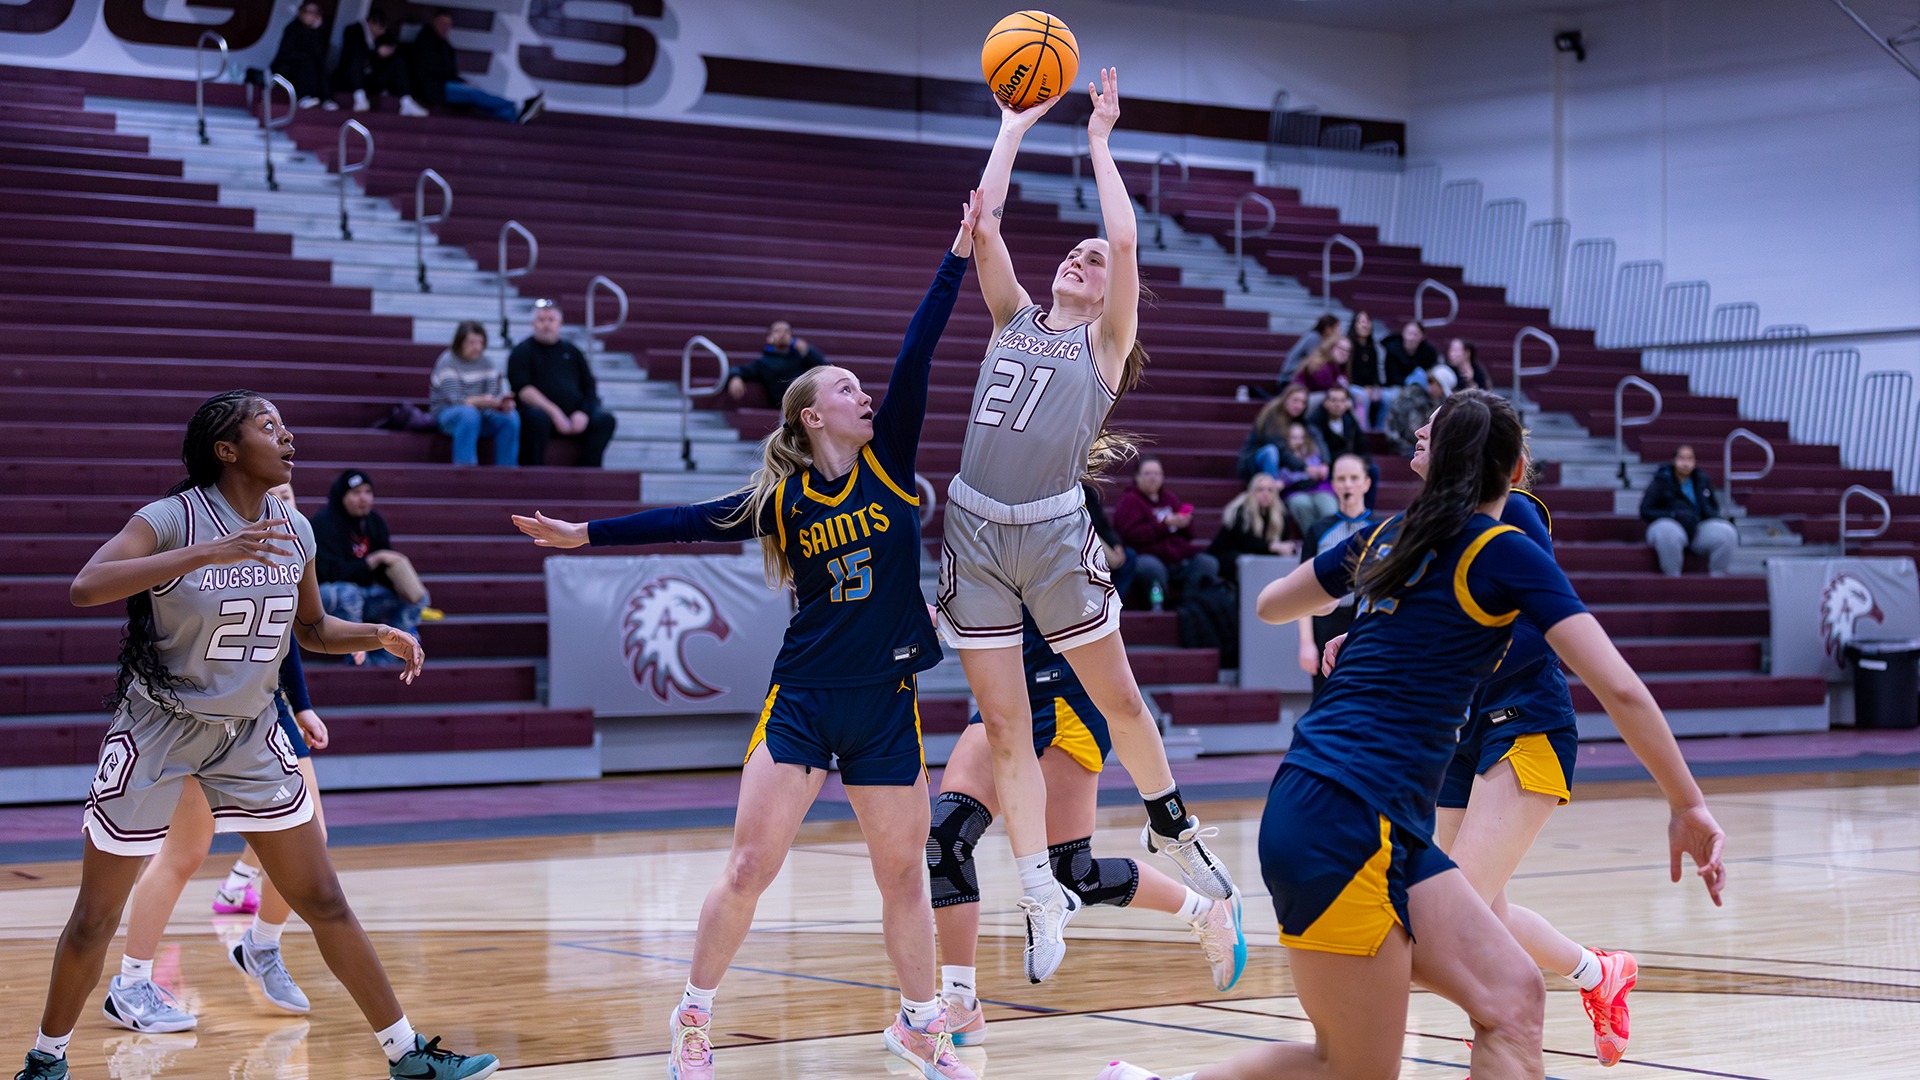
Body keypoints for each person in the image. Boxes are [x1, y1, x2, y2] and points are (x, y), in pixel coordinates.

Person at [1100, 390, 1727, 1080]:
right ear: (1515, 468)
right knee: (1351, 1067)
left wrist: (1370, 612)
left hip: (1356, 811)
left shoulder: (1390, 536)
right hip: (1347, 817)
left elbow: (1272, 603)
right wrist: (1688, 802)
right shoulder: (1485, 549)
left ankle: (1588, 972)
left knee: (1513, 997)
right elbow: (1623, 688)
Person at [511, 213, 978, 1080]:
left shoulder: (889, 460)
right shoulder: (781, 499)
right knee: (750, 865)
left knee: (903, 876)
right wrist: (586, 535)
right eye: (845, 389)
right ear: (810, 415)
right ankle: (693, 1017)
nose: (863, 394)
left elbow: (922, 345)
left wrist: (957, 251)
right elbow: (684, 520)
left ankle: (920, 1024)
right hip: (801, 701)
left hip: (887, 703)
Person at [14, 390, 495, 1080]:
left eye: (287, 425)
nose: (289, 436)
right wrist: (209, 551)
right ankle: (46, 1062)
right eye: (270, 427)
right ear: (227, 449)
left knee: (323, 895)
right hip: (160, 727)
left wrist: (377, 634)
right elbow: (86, 587)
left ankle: (407, 1055)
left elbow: (312, 629)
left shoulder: (295, 530)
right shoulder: (171, 517)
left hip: (247, 732)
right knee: (95, 916)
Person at [936, 69, 1235, 989]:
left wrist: (1099, 141)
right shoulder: (1013, 317)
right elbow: (982, 220)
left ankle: (1170, 823)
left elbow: (1125, 233)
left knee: (1123, 701)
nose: (1083, 257)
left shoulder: (1103, 346)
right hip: (974, 531)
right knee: (1002, 723)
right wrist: (1012, 125)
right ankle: (1037, 892)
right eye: (1073, 252)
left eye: (1093, 261)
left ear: (1113, 299)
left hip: (1054, 535)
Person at [931, 613, 1247, 1046]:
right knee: (945, 840)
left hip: (1063, 695)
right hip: (1002, 694)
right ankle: (960, 1002)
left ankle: (1204, 910)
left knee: (1072, 874)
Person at [109, 484, 332, 1031]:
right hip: (190, 714)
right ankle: (131, 982)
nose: (280, 493)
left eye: (287, 488)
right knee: (185, 851)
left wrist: (301, 706)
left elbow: (285, 638)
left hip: (263, 713)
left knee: (312, 844)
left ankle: (262, 945)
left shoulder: (291, 541)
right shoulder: (192, 536)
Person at [311, 469, 439, 659]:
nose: (363, 498)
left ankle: (389, 657)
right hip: (327, 595)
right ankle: (355, 658)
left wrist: (402, 585)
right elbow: (328, 572)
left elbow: (381, 573)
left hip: (365, 593)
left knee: (419, 598)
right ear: (342, 496)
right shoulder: (322, 523)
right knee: (349, 593)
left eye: (368, 492)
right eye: (356, 493)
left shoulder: (374, 522)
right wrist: (371, 561)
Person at [1295, 454, 1374, 698]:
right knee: (1324, 699)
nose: (1348, 484)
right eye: (1341, 478)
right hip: (1324, 623)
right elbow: (1302, 590)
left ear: (1366, 483)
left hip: (1363, 622)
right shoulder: (1318, 530)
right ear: (1334, 484)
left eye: (1354, 478)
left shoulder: (1380, 529)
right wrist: (1306, 643)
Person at [507, 300, 618, 468]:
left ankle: (588, 472)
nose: (546, 325)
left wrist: (583, 413)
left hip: (573, 417)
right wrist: (555, 413)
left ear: (560, 324)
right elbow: (523, 389)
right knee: (535, 417)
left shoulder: (572, 351)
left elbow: (589, 387)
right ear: (533, 324)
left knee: (605, 421)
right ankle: (535, 473)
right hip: (543, 416)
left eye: (551, 320)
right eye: (541, 320)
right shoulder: (522, 351)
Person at [1112, 457, 1220, 606]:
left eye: (1157, 474)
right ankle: (1159, 608)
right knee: (1151, 567)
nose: (1153, 478)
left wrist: (1184, 523)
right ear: (1137, 477)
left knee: (1207, 562)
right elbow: (1130, 534)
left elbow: (1190, 536)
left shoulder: (1169, 498)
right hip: (1146, 555)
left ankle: (1192, 605)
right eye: (1148, 473)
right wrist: (1164, 525)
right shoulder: (1130, 501)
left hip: (1176, 556)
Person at [408, 8, 543, 123]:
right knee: (475, 94)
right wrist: (459, 83)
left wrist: (462, 81)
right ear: (434, 22)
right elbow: (431, 72)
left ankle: (514, 116)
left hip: (443, 85)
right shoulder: (426, 42)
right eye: (442, 23)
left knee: (475, 96)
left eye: (448, 24)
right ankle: (518, 105)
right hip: (435, 88)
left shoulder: (444, 46)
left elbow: (448, 72)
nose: (445, 27)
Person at [430, 320, 520, 467]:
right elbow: (455, 399)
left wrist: (501, 404)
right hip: (449, 414)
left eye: (480, 343)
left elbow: (493, 393)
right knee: (468, 414)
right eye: (471, 343)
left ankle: (507, 470)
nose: (477, 348)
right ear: (460, 342)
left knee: (510, 417)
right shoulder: (447, 361)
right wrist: (483, 401)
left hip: (482, 412)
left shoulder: (487, 363)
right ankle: (466, 470)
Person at [1640, 444, 1737, 577]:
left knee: (1727, 532)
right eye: (1682, 458)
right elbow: (1645, 510)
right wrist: (1672, 514)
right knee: (1668, 532)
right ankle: (1672, 580)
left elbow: (1713, 507)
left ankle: (1717, 579)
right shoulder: (1662, 480)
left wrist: (1704, 515)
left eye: (1690, 458)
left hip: (1696, 527)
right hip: (1669, 524)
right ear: (1674, 460)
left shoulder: (1701, 480)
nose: (1685, 463)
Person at [335, 8, 428, 116]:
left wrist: (387, 51)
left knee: (398, 62)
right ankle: (360, 98)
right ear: (370, 23)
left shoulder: (382, 35)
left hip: (372, 79)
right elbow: (351, 54)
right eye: (379, 28)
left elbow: (392, 43)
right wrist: (375, 52)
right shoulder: (352, 31)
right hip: (351, 78)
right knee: (356, 59)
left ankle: (406, 101)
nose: (381, 32)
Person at [1209, 473, 1297, 585]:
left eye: (1270, 490)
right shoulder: (1241, 511)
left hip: (1258, 560)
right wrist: (1271, 546)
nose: (1265, 494)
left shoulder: (1279, 513)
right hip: (1228, 557)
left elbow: (1283, 539)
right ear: (1252, 492)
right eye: (1260, 490)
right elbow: (1243, 542)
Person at [1307, 384, 1377, 510]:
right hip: (1330, 463)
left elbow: (1362, 445)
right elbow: (1321, 448)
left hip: (1352, 461)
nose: (1337, 404)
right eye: (1333, 400)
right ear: (1326, 403)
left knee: (1372, 470)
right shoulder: (1316, 422)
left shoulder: (1350, 419)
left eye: (1341, 400)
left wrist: (1363, 462)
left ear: (1347, 403)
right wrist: (1328, 462)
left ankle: (1366, 510)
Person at [726, 321, 827, 405]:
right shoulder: (764, 363)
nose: (782, 335)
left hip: (805, 402)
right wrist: (735, 377)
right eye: (777, 331)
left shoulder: (802, 358)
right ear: (770, 337)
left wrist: (807, 351)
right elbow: (740, 370)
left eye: (786, 331)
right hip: (783, 406)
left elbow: (825, 368)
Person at [1270, 422, 1336, 537]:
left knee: (1327, 505)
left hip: (1318, 487)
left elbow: (1322, 471)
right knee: (1301, 504)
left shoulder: (1314, 452)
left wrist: (1320, 471)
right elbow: (1283, 478)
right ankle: (1314, 539)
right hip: (1295, 490)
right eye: (1294, 437)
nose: (1298, 441)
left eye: (1301, 437)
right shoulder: (1284, 456)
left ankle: (1332, 539)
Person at [1235, 385, 1311, 483]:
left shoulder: (1299, 420)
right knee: (1271, 451)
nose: (1299, 406)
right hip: (1253, 463)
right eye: (1295, 400)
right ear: (1285, 399)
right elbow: (1279, 447)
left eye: (1303, 402)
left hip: (1281, 463)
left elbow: (1315, 435)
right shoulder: (1272, 417)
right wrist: (1304, 468)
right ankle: (1271, 486)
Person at [1385, 364, 1456, 456]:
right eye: (1441, 390)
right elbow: (1412, 429)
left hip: (1417, 443)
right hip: (1401, 444)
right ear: (1434, 383)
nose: (1441, 394)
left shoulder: (1434, 400)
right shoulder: (1412, 395)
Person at [271, 2, 331, 109]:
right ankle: (303, 97)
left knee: (319, 65)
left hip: (309, 69)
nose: (311, 16)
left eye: (315, 13)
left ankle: (326, 99)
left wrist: (315, 31)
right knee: (305, 61)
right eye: (308, 12)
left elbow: (319, 54)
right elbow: (287, 53)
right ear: (301, 13)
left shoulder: (319, 32)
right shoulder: (292, 28)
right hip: (287, 68)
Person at [1346, 311, 1387, 427]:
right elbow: (1349, 372)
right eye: (1361, 322)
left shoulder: (1372, 348)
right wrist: (1365, 388)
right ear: (1354, 325)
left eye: (1367, 321)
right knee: (1362, 397)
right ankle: (1365, 431)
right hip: (1352, 385)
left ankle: (1380, 430)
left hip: (1368, 387)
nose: (1364, 325)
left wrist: (1376, 386)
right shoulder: (1348, 345)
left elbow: (1374, 372)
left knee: (1388, 398)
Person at [1280, 313, 1341, 387]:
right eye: (1337, 327)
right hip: (1289, 378)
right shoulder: (1314, 338)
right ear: (1327, 329)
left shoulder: (1319, 338)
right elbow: (1315, 361)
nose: (1339, 331)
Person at [1380, 318, 1438, 389]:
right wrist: (1409, 381)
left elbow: (1432, 373)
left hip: (1421, 389)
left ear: (1422, 336)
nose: (1411, 338)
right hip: (1395, 387)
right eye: (1409, 333)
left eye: (1415, 334)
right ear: (1403, 334)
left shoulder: (1429, 352)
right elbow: (1391, 376)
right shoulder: (1392, 349)